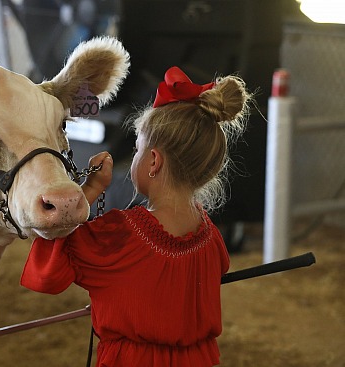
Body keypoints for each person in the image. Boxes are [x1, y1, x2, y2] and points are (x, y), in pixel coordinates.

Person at [20, 66, 252, 366]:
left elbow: (49, 269)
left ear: (153, 161)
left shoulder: (119, 237)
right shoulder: (211, 240)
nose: (134, 156)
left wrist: (90, 188)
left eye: (137, 148)